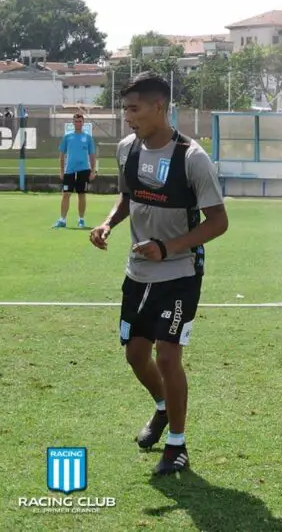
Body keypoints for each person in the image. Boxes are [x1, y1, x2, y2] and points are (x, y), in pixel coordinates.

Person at [89, 71, 229, 476]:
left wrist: (166, 247)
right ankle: (163, 407)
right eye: (125, 109)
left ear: (159, 107)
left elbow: (218, 222)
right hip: (139, 271)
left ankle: (178, 445)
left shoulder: (191, 157)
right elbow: (128, 196)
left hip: (180, 270)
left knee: (168, 356)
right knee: (136, 355)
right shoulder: (127, 150)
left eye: (134, 109)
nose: (127, 117)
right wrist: (107, 223)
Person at [53, 113, 97, 229]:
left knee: (81, 194)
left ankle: (81, 220)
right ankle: (62, 220)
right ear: (73, 123)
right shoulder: (67, 137)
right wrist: (62, 171)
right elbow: (62, 155)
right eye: (76, 121)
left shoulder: (87, 138)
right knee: (66, 194)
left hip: (84, 170)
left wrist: (93, 171)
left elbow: (92, 155)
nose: (78, 123)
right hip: (69, 170)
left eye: (80, 121)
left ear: (83, 123)